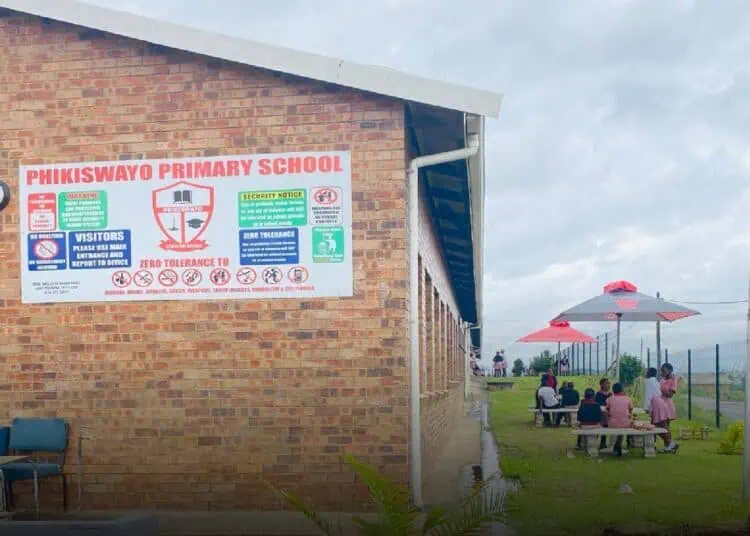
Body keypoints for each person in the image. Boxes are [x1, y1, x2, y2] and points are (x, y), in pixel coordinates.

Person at [650, 363, 680, 454]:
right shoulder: (662, 380)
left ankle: (669, 445)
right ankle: (669, 445)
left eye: (663, 371)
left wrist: (659, 390)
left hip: (667, 406)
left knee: (663, 426)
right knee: (658, 426)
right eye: (661, 371)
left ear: (670, 370)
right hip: (659, 406)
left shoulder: (673, 380)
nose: (662, 372)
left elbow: (670, 395)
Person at [606, 382, 633, 457]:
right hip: (626, 423)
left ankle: (616, 445)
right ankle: (618, 445)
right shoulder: (628, 398)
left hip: (612, 424)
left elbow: (607, 410)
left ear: (613, 390)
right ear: (622, 390)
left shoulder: (609, 399)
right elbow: (631, 410)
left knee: (617, 423)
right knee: (623, 424)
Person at [595, 378, 612, 449]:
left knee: (605, 428)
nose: (609, 385)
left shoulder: (610, 394)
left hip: (607, 414)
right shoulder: (598, 394)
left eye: (609, 383)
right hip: (600, 414)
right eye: (607, 383)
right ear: (601, 384)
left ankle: (603, 443)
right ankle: (594, 442)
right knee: (598, 429)